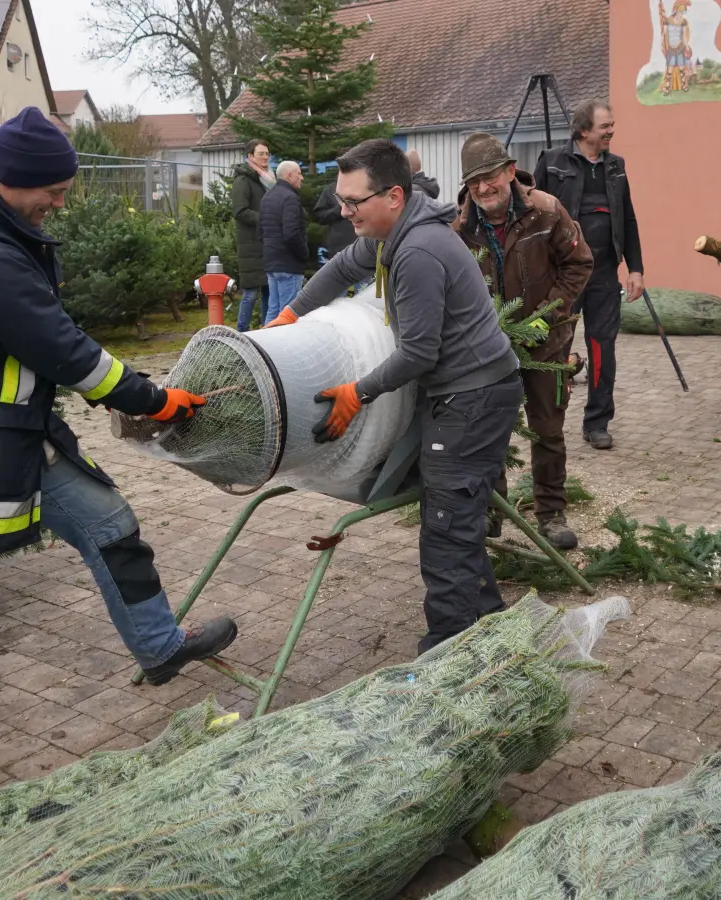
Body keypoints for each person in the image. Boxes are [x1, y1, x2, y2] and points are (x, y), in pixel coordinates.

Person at [0, 107, 238, 823]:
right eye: (53, 190)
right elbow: (70, 355)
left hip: (16, 436)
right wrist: (158, 401)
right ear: (11, 181)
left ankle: (159, 646)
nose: (62, 201)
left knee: (111, 525)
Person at [264, 139, 521, 654]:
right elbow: (340, 269)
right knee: (454, 516)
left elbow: (419, 354)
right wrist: (290, 315)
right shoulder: (389, 236)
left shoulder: (419, 252)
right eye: (342, 199)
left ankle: (449, 654)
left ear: (394, 196)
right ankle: (492, 622)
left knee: (446, 526)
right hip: (464, 391)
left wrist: (357, 393)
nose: (343, 211)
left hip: (474, 397)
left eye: (353, 202)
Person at [452, 133, 593, 551]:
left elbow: (579, 263)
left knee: (547, 431)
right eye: (474, 181)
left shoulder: (546, 212)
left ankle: (550, 512)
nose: (483, 188)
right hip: (488, 351)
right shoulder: (460, 230)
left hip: (546, 346)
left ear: (510, 172)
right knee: (490, 432)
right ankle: (494, 512)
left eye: (490, 176)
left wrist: (544, 317)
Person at [534, 99, 643, 451]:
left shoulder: (616, 167)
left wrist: (636, 268)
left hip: (604, 273)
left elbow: (628, 219)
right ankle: (549, 420)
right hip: (563, 274)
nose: (612, 130)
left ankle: (597, 423)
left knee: (602, 347)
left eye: (612, 124)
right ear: (584, 130)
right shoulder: (552, 163)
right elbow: (532, 216)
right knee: (555, 347)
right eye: (605, 126)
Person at [260, 160, 309, 322]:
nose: (302, 178)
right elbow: (291, 233)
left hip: (271, 262)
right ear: (289, 175)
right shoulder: (290, 198)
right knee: (288, 313)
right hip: (289, 264)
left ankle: (264, 344)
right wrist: (304, 254)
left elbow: (260, 230)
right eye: (299, 174)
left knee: (273, 310)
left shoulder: (267, 197)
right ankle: (281, 346)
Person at [232, 138, 271, 330]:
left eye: (266, 154)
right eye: (260, 154)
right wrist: (266, 218)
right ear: (250, 156)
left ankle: (265, 331)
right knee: (251, 293)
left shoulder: (266, 179)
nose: (265, 157)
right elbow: (239, 211)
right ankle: (242, 332)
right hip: (251, 243)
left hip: (266, 243)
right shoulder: (243, 180)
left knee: (268, 290)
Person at [314, 180, 376, 295]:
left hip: (363, 248)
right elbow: (320, 216)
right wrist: (339, 210)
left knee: (363, 291)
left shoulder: (364, 187)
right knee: (340, 293)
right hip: (339, 248)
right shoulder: (330, 190)